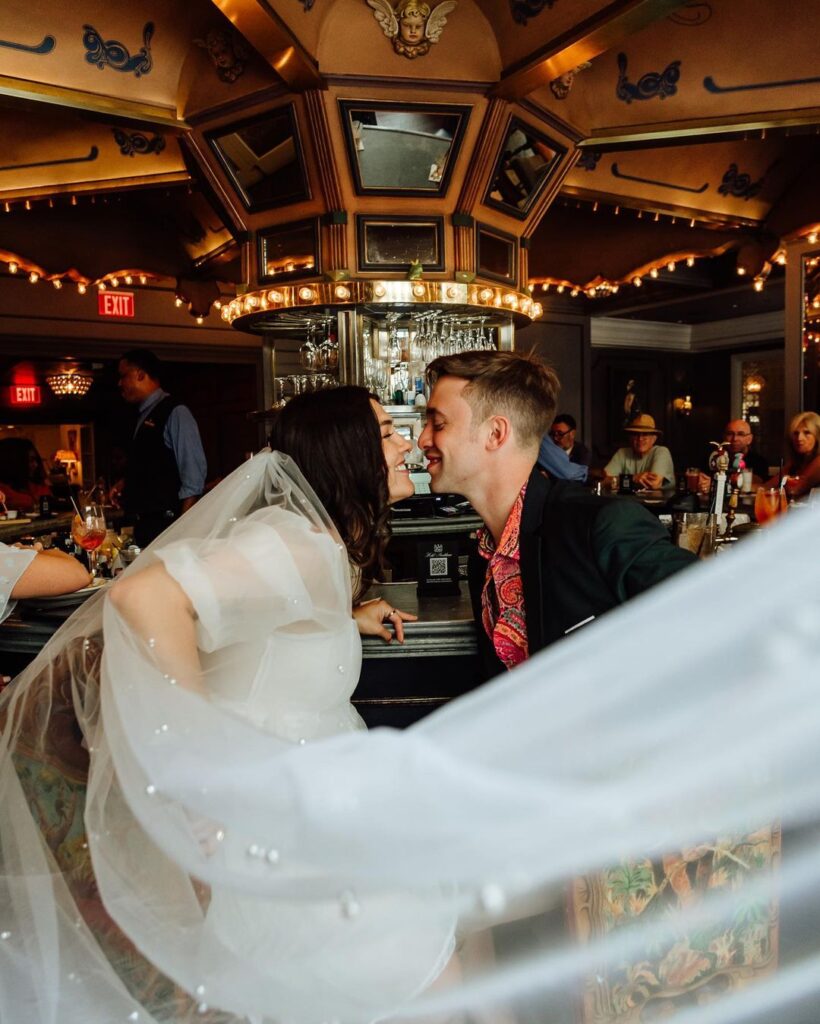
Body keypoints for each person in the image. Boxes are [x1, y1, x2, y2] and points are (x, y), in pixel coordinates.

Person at [0, 390, 819, 1024]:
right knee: (453, 971)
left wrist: (336, 616)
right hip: (287, 835)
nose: (405, 440)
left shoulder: (318, 553)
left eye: (417, 423)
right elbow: (145, 596)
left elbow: (264, 611)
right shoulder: (305, 547)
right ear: (350, 452)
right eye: (388, 430)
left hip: (323, 825)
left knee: (466, 956)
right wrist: (197, 769)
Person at [418, 351, 695, 679]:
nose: (422, 440)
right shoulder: (484, 555)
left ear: (495, 434)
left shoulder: (600, 525)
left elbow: (719, 612)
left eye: (438, 424)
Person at [116, 348, 207, 547]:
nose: (119, 383)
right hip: (145, 526)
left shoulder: (176, 412)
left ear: (140, 374)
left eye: (123, 376)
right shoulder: (142, 415)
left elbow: (193, 480)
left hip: (167, 526)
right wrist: (126, 482)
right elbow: (154, 464)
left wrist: (181, 534)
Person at [604, 412, 675, 489]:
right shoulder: (622, 452)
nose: (640, 438)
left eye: (645, 434)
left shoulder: (662, 452)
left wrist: (618, 481)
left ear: (654, 439)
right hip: (628, 500)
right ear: (630, 437)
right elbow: (603, 481)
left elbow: (652, 484)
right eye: (635, 434)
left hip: (660, 501)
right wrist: (634, 478)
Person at [767, 410, 820, 498]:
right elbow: (767, 487)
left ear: (817, 436)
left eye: (807, 433)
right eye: (796, 433)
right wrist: (742, 481)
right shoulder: (795, 463)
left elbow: (795, 489)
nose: (799, 438)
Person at [0, 437, 52, 513]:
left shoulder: (35, 485)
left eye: (36, 460)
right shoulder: (3, 490)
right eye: (30, 460)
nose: (35, 464)